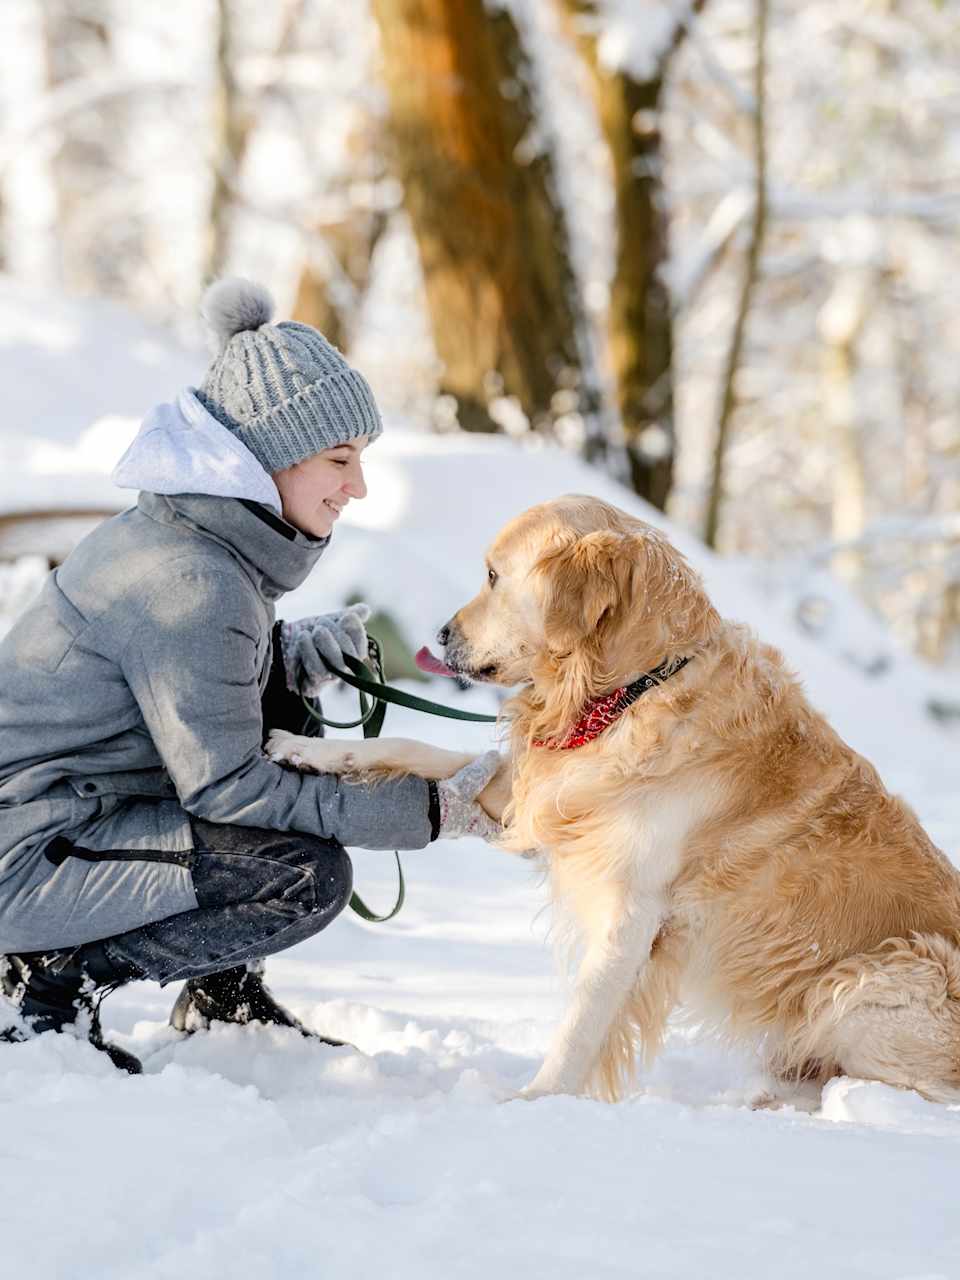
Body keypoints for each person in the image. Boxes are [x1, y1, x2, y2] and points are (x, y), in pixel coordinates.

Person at [0, 278, 499, 1073]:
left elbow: (170, 691)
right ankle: (50, 983)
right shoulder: (193, 580)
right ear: (260, 461)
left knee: (282, 713)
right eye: (339, 459)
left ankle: (222, 996)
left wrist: (286, 656)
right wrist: (428, 809)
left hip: (70, 814)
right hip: (26, 855)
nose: (357, 486)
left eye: (361, 459)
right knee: (299, 877)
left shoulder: (196, 543)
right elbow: (229, 792)